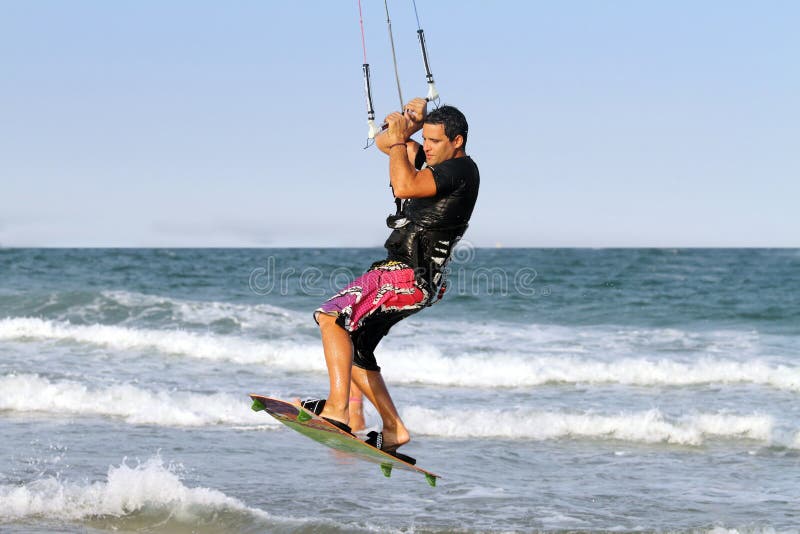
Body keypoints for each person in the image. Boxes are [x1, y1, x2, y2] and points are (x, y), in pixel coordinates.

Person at [304, 98, 479, 460]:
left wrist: (402, 142)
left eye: (434, 141)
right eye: (424, 140)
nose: (426, 148)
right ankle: (394, 428)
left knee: (331, 316)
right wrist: (407, 126)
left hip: (406, 275)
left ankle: (337, 410)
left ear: (457, 141)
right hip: (401, 275)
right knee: (356, 347)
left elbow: (403, 186)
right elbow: (385, 145)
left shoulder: (460, 170)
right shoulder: (434, 163)